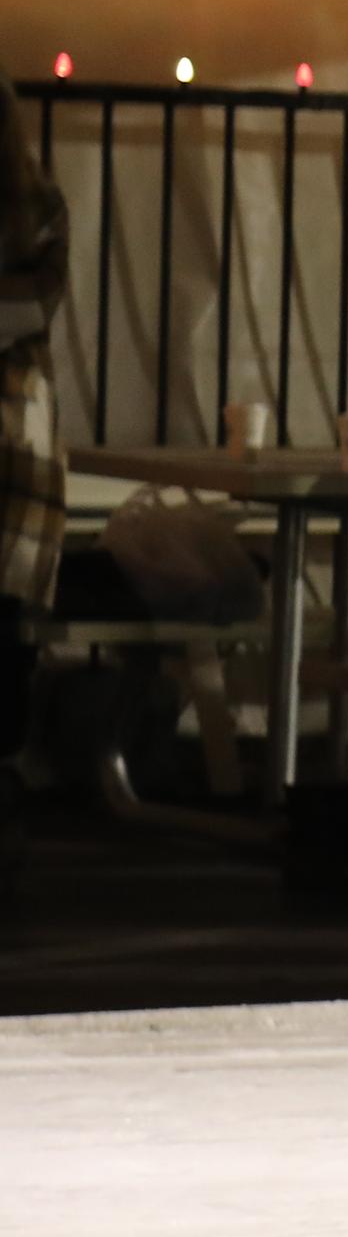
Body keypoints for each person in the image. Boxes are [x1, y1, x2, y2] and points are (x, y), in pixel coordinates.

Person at [0, 75, 67, 846]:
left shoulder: (36, 212)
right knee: (8, 627)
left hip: (14, 437)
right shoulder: (39, 211)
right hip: (23, 441)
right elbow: (33, 306)